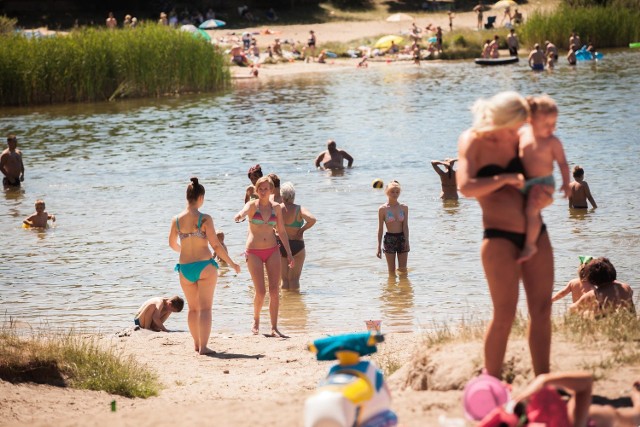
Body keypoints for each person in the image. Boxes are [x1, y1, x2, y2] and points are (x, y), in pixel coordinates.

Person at [457, 91, 555, 379]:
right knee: (504, 315)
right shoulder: (472, 140)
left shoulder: (522, 139)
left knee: (541, 310)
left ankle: (543, 383)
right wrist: (506, 178)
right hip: (498, 237)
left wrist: (545, 196)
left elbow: (544, 181)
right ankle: (491, 384)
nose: (518, 131)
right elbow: (465, 187)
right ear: (501, 119)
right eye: (515, 125)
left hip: (537, 233)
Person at [169, 177, 241, 355]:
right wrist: (232, 264)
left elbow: (171, 243)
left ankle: (196, 344)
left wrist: (183, 250)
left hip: (184, 268)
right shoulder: (205, 218)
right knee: (206, 308)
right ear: (201, 197)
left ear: (187, 197)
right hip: (205, 266)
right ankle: (204, 347)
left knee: (193, 309)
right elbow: (216, 245)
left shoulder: (176, 220)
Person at [234, 176, 294, 337]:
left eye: (266, 188)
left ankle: (274, 327)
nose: (262, 191)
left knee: (275, 290)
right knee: (260, 292)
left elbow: (281, 231)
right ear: (256, 190)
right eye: (260, 188)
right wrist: (239, 216)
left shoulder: (277, 208)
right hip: (254, 251)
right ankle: (256, 319)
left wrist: (289, 253)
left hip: (273, 250)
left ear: (271, 190)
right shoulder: (252, 205)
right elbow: (243, 212)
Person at [480, 372, 640, 427]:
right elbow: (586, 383)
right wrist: (545, 379)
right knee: (629, 416)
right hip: (598, 420)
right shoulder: (573, 419)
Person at [518, 95, 570, 263]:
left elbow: (562, 163)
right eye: (547, 124)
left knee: (532, 209)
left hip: (544, 182)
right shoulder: (522, 134)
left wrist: (566, 183)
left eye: (554, 124)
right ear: (530, 120)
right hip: (524, 181)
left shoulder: (553, 142)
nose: (552, 128)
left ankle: (530, 244)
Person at [278, 182, 317, 290]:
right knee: (294, 280)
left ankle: (286, 304)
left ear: (282, 196)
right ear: (293, 196)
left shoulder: (277, 209)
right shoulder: (299, 209)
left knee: (284, 280)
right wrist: (302, 230)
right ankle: (296, 304)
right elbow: (312, 220)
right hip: (297, 245)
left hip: (281, 245)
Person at [570, 257, 635, 315]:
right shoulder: (626, 287)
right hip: (628, 321)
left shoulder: (593, 294)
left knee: (587, 313)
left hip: (608, 324)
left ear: (591, 278)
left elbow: (572, 308)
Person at [376, 181, 410, 276]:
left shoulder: (404, 208)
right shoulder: (382, 209)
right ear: (387, 192)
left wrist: (407, 241)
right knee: (391, 271)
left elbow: (405, 226)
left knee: (403, 270)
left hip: (402, 238)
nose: (395, 194)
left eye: (397, 192)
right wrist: (378, 246)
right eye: (392, 192)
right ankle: (391, 290)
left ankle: (403, 290)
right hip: (389, 239)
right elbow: (380, 229)